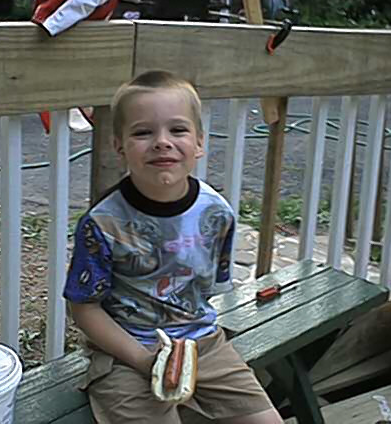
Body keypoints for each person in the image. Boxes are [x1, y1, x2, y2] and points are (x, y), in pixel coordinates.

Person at [63, 70, 283, 424]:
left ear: (199, 143)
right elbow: (84, 308)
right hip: (125, 353)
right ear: (119, 146)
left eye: (178, 130)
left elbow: (206, 292)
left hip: (203, 345)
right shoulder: (103, 224)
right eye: (142, 132)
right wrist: (143, 360)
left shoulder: (216, 214)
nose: (162, 142)